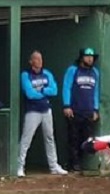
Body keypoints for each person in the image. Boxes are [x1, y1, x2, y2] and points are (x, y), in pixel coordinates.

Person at [17, 50, 67, 178]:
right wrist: (44, 93)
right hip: (33, 111)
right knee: (26, 139)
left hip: (46, 110)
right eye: (36, 59)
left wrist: (43, 90)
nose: (39, 61)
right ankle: (19, 166)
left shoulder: (47, 74)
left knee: (49, 138)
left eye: (40, 59)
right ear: (31, 61)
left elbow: (54, 90)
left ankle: (54, 165)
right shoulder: (25, 75)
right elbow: (30, 93)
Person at [62, 47, 101, 172]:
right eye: (87, 56)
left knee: (85, 139)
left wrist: (95, 109)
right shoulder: (73, 70)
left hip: (88, 111)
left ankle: (79, 162)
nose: (90, 59)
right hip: (74, 110)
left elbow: (96, 91)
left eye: (91, 57)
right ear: (81, 57)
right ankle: (73, 163)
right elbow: (66, 87)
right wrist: (66, 105)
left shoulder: (95, 72)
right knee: (73, 138)